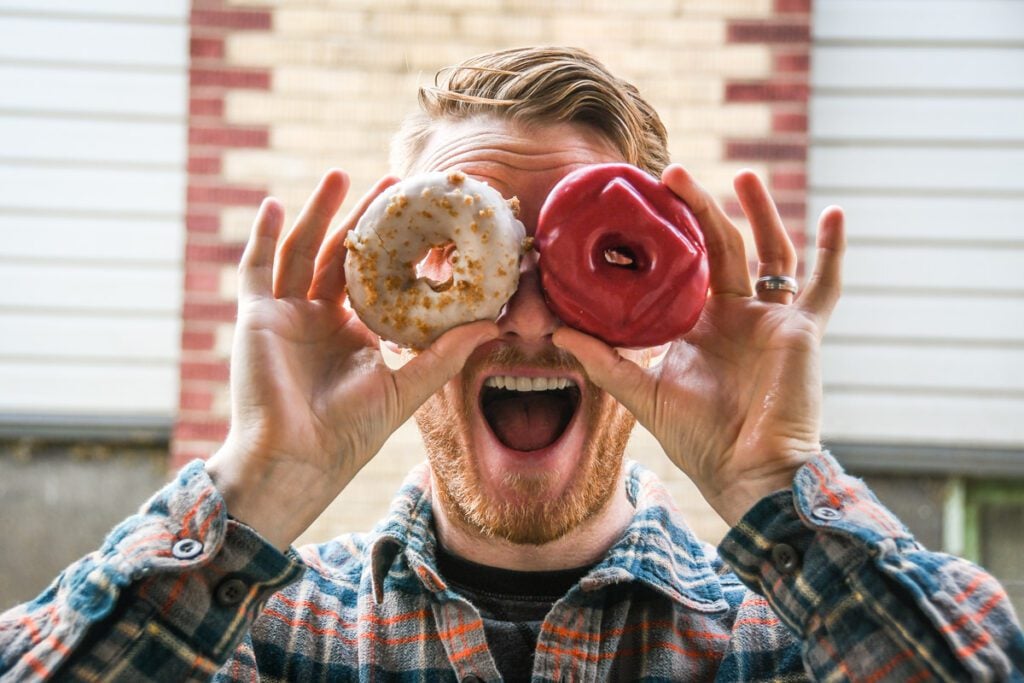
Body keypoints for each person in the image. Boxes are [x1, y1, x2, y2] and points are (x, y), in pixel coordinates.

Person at [1, 46, 1021, 682]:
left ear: (666, 307)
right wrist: (256, 484)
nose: (530, 317)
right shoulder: (254, 639)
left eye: (591, 264)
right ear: (387, 309)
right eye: (473, 264)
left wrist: (776, 486)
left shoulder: (788, 645)